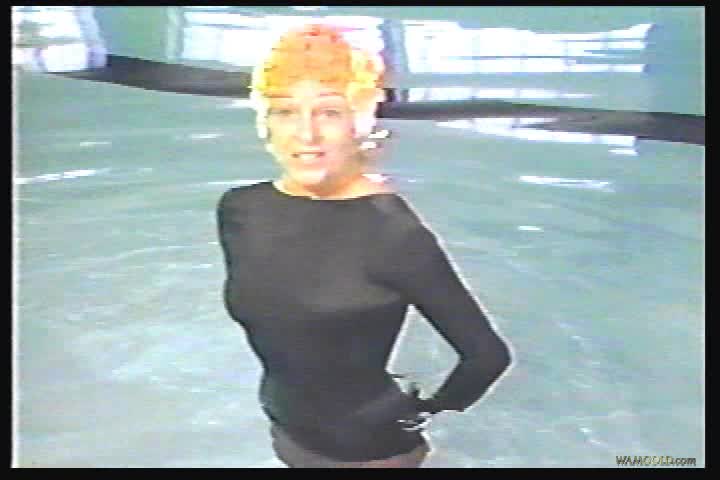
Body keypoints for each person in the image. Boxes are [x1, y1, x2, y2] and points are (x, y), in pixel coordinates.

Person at [216, 23, 512, 468]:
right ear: (265, 122)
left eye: (329, 113)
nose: (306, 134)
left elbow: (487, 357)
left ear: (358, 120)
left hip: (369, 452)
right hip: (284, 429)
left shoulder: (393, 235)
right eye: (285, 111)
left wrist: (425, 412)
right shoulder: (241, 209)